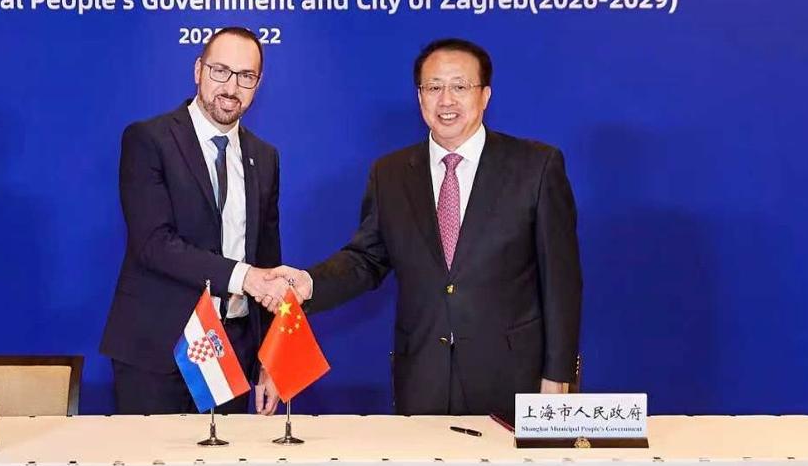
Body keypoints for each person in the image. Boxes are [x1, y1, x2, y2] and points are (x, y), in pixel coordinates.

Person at [273, 38, 582, 421]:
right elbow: (367, 260)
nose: (446, 100)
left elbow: (561, 281)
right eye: (434, 87)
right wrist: (308, 284)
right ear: (420, 97)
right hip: (422, 377)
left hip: (513, 377)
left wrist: (558, 374)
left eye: (460, 86)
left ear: (485, 95)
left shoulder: (536, 167)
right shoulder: (390, 173)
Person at [100, 27, 291, 416]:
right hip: (157, 348)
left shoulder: (264, 157)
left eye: (246, 76)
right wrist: (244, 277)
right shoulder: (148, 140)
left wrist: (272, 357)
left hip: (231, 350)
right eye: (221, 71)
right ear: (198, 70)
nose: (231, 87)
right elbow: (153, 243)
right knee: (150, 457)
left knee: (226, 458)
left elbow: (268, 262)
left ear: (258, 85)